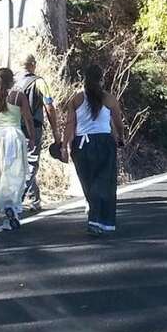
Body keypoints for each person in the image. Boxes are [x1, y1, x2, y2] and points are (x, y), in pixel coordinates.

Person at [62, 65, 125, 236]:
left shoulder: (76, 99)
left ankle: (94, 218)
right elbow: (118, 123)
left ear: (84, 79)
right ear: (101, 79)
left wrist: (64, 145)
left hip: (82, 145)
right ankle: (100, 221)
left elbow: (70, 124)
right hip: (104, 143)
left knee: (88, 183)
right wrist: (120, 137)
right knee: (104, 182)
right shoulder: (109, 99)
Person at [0, 68, 36, 231]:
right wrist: (32, 137)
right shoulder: (19, 96)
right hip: (14, 137)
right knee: (16, 174)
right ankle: (13, 207)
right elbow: (28, 119)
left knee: (0, 174)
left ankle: (7, 209)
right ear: (12, 80)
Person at [15, 54, 61, 212]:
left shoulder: (13, 83)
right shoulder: (39, 82)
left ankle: (35, 199)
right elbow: (49, 105)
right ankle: (17, 200)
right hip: (33, 127)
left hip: (13, 128)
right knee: (31, 162)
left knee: (21, 164)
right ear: (33, 65)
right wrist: (55, 130)